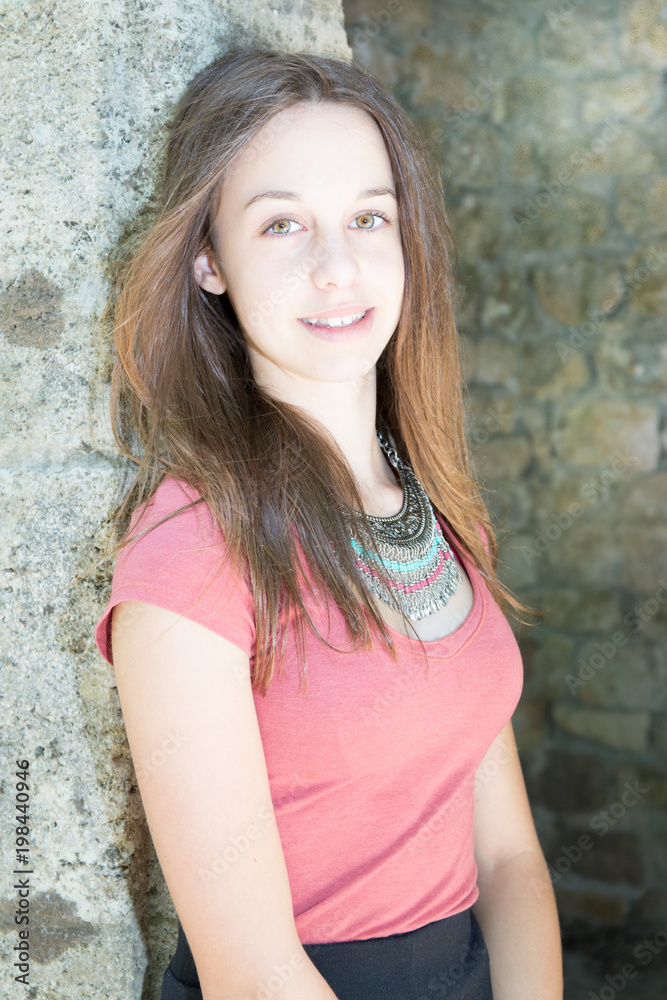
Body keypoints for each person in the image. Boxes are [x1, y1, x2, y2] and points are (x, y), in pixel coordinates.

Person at [93, 47, 563, 1000]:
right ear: (208, 261)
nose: (336, 265)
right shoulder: (192, 548)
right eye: (280, 225)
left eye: (366, 217)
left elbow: (509, 861)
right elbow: (252, 972)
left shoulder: (429, 508)